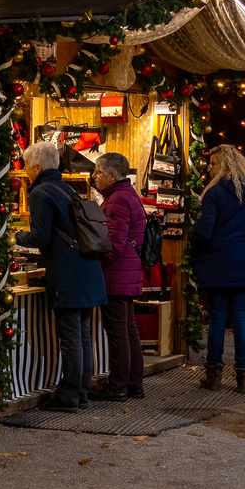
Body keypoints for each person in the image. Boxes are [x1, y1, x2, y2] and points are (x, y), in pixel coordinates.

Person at [21, 139, 106, 412]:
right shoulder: (67, 188)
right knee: (82, 336)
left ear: (36, 167)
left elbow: (40, 236)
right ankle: (80, 392)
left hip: (68, 274)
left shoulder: (40, 192)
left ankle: (68, 396)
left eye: (26, 166)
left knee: (71, 337)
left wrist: (14, 237)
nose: (24, 171)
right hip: (87, 269)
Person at [192, 143, 245, 393]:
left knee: (217, 319)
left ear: (222, 165)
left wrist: (194, 248)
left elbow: (205, 231)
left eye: (212, 164)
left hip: (216, 263)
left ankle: (213, 376)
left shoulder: (213, 194)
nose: (209, 169)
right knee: (241, 320)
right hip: (243, 265)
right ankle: (244, 379)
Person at [92, 152, 148, 401]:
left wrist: (96, 266)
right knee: (128, 330)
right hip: (128, 273)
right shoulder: (129, 196)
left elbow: (112, 244)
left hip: (116, 275)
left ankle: (118, 386)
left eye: (97, 172)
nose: (94, 177)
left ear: (112, 175)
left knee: (118, 333)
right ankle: (134, 383)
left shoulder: (117, 200)